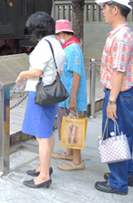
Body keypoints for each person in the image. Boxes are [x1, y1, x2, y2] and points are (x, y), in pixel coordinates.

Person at [94, 0, 133, 196]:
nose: (102, 10)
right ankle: (127, 174)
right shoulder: (124, 33)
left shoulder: (120, 37)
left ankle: (118, 182)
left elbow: (118, 72)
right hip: (127, 94)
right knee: (125, 134)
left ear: (115, 9)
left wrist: (111, 100)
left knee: (114, 135)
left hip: (119, 95)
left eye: (105, 7)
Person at [16, 11, 66, 189]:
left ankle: (44, 176)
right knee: (47, 132)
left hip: (40, 94)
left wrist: (22, 74)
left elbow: (36, 72)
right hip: (52, 93)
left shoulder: (43, 45)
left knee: (42, 136)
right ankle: (45, 167)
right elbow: (59, 71)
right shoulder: (57, 44)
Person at [52, 19, 87, 171]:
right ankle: (69, 152)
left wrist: (72, 98)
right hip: (64, 96)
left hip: (70, 97)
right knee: (66, 124)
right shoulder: (68, 47)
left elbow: (76, 74)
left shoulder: (73, 48)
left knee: (73, 126)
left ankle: (77, 160)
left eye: (57, 35)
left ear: (62, 34)